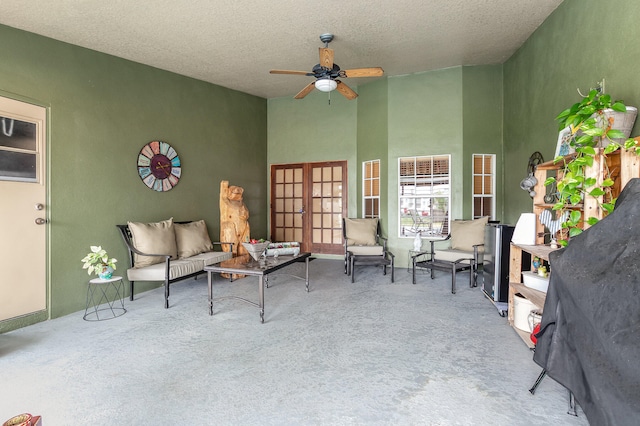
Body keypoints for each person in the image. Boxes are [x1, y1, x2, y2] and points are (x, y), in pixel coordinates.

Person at [219, 180, 250, 256]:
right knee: (232, 251)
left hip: (243, 229)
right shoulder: (225, 202)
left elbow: (246, 214)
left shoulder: (241, 204)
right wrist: (224, 185)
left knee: (244, 249)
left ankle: (245, 262)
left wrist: (244, 214)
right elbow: (223, 196)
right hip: (231, 231)